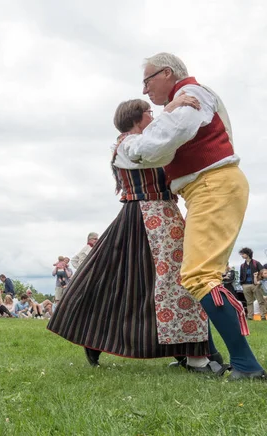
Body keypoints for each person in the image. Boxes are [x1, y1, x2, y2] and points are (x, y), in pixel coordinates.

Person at [48, 96, 221, 372]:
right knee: (170, 282)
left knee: (142, 285)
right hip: (151, 216)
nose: (152, 118)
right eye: (148, 113)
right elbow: (157, 145)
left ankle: (185, 352)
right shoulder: (130, 144)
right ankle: (194, 357)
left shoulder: (133, 143)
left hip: (153, 215)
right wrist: (171, 110)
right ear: (137, 117)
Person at [123, 52, 265, 379]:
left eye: (148, 80)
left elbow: (157, 147)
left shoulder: (191, 95)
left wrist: (136, 139)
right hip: (206, 188)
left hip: (212, 185)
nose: (145, 90)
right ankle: (211, 355)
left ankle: (246, 365)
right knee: (192, 277)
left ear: (168, 73)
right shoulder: (187, 99)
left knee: (200, 276)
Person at [239, 248, 264, 320]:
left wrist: (259, 280)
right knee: (249, 302)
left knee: (260, 300)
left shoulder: (256, 263)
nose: (242, 255)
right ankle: (250, 316)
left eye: (243, 254)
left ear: (248, 254)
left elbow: (262, 272)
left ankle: (263, 316)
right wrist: (242, 284)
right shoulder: (242, 265)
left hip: (256, 284)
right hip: (246, 285)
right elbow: (241, 275)